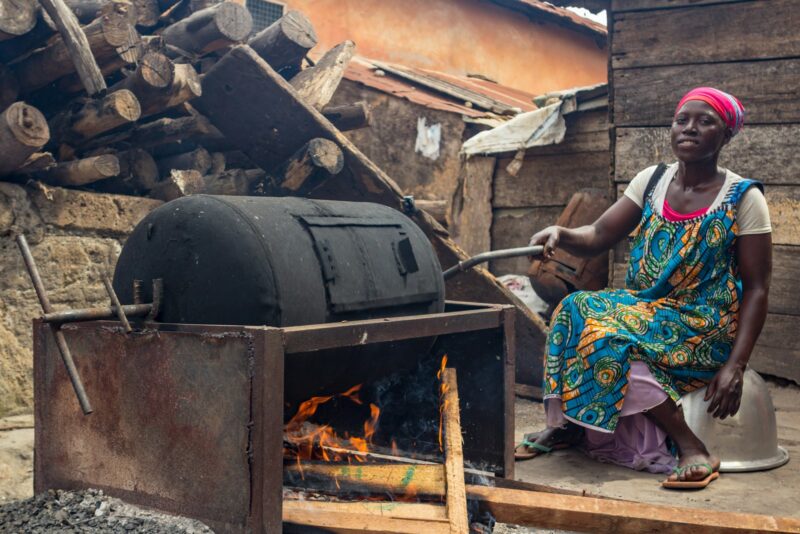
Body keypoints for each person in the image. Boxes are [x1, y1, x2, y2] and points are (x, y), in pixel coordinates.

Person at [515, 87, 772, 489]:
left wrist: (735, 366)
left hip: (703, 322)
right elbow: (599, 234)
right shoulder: (651, 181)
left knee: (607, 336)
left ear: (726, 136)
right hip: (647, 308)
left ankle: (692, 446)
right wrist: (562, 232)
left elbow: (757, 288)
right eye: (682, 119)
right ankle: (570, 425)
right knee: (572, 308)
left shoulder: (743, 198)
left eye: (706, 122)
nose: (690, 128)